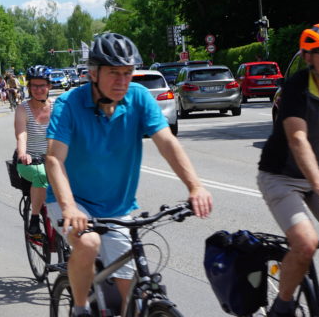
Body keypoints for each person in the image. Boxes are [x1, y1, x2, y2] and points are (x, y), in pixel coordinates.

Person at [45, 33, 213, 317]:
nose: (123, 81)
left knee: (131, 294)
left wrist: (195, 186)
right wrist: (69, 206)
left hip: (118, 207)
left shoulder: (137, 98)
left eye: (128, 72)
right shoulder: (69, 104)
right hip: (73, 201)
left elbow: (167, 143)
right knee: (88, 243)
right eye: (114, 73)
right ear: (94, 73)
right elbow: (53, 159)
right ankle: (80, 307)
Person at [257, 23, 319, 317]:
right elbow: (298, 139)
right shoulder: (297, 88)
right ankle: (282, 305)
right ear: (309, 58)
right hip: (282, 177)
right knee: (306, 243)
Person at [14, 65, 54, 237]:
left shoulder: (57, 107)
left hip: (54, 160)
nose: (38, 89)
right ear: (29, 87)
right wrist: (23, 153)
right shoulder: (23, 109)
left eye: (42, 85)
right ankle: (35, 220)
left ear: (49, 86)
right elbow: (21, 134)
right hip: (30, 160)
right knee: (41, 175)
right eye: (34, 86)